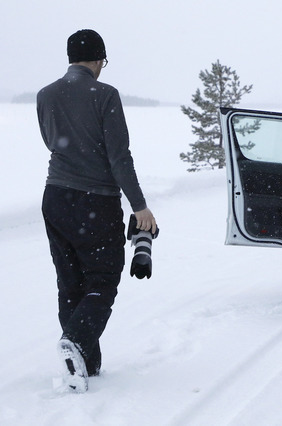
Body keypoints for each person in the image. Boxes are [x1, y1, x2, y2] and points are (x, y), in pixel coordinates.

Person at [37, 29, 156, 392]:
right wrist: (140, 207)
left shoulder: (45, 95)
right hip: (96, 202)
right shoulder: (105, 95)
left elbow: (50, 141)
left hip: (55, 197)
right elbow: (119, 156)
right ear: (98, 59)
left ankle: (85, 366)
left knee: (69, 282)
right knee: (102, 281)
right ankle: (74, 341)